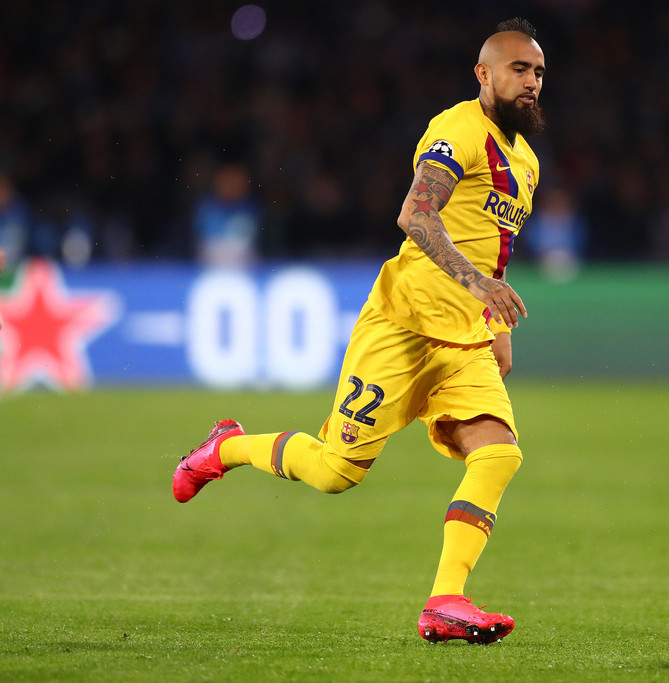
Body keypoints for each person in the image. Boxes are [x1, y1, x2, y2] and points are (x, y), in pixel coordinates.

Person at [172, 18, 546, 645]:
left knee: (500, 453)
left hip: (465, 340)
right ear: (483, 74)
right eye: (518, 69)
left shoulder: (526, 160)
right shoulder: (459, 129)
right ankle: (225, 447)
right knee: (335, 472)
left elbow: (494, 242)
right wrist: (478, 286)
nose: (531, 81)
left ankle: (445, 601)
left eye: (538, 72)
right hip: (401, 328)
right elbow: (416, 214)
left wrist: (493, 316)